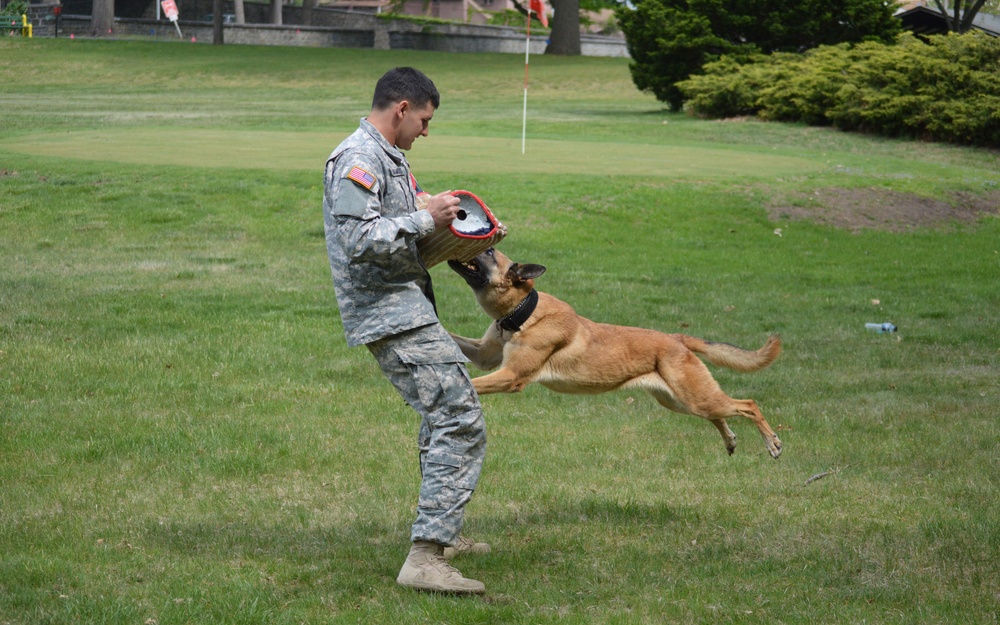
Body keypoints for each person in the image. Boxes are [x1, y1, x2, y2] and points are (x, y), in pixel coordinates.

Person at [322, 67, 490, 595]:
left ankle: (442, 533)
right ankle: (425, 557)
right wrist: (425, 219)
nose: (425, 130)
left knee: (442, 415)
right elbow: (358, 238)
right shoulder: (358, 158)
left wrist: (462, 227)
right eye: (424, 119)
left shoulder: (389, 157)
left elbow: (403, 218)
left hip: (407, 304)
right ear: (401, 108)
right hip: (386, 312)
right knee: (460, 419)